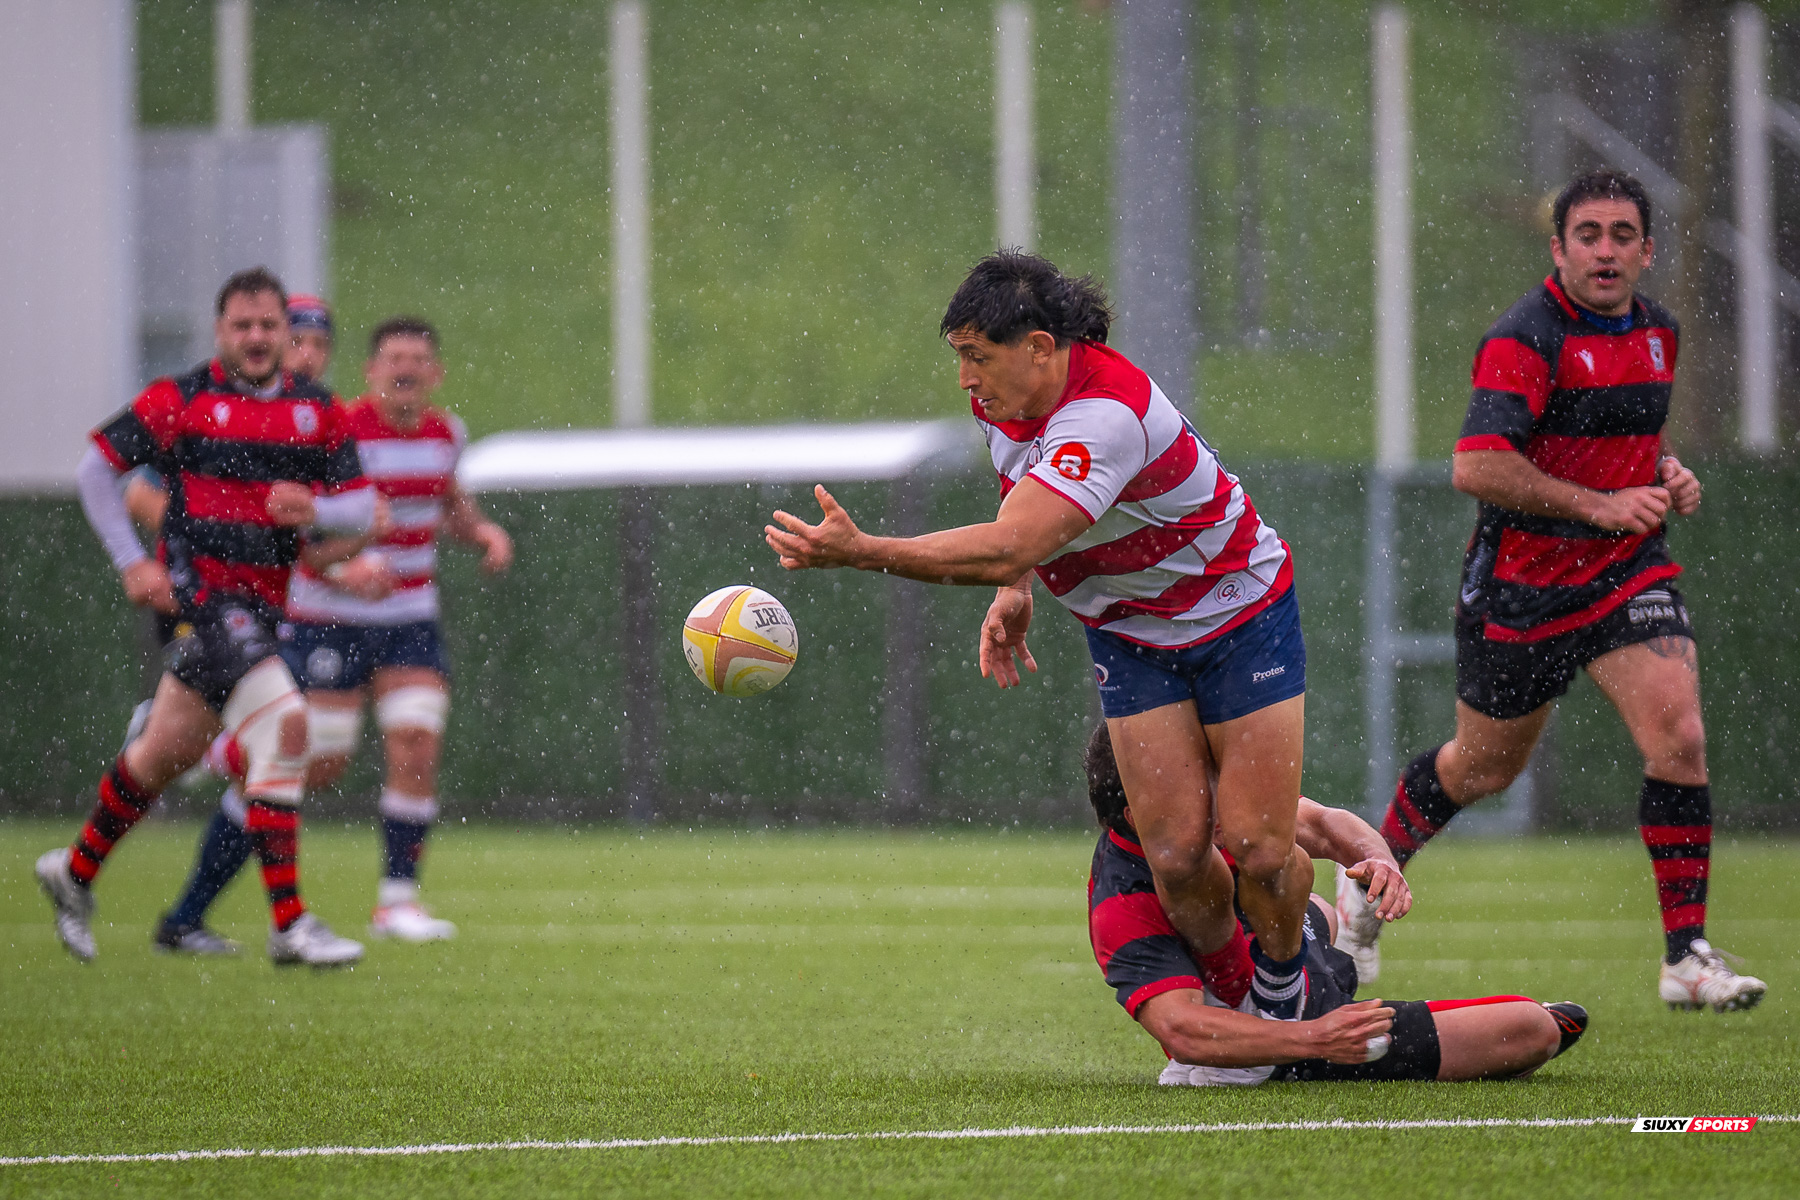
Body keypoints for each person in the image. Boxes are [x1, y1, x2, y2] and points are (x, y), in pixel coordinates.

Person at [766, 250, 1318, 1020]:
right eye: (959, 358)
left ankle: (1287, 988)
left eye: (976, 358)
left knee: (1258, 848)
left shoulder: (1106, 415)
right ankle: (1246, 1016)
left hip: (1239, 614)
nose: (965, 379)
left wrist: (866, 552)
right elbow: (1019, 507)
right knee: (1175, 857)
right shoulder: (1004, 403)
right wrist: (1015, 589)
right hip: (1128, 634)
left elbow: (1010, 538)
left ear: (1039, 348)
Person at [1337, 171, 1766, 1014]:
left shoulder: (1659, 333)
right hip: (1522, 591)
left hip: (1628, 574)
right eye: (1588, 234)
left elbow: (1635, 429)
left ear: (1647, 249)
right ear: (1559, 248)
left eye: (1621, 235)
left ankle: (1686, 955)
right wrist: (1601, 502)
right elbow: (1477, 464)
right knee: (1482, 768)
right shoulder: (1525, 337)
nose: (1605, 251)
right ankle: (1367, 878)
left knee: (1679, 737)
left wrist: (1663, 470)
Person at [37, 267, 382, 965]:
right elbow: (95, 472)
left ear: (287, 334)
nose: (256, 338)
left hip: (260, 610)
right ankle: (290, 924)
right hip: (199, 604)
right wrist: (132, 562)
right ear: (220, 332)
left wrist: (315, 510)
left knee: (161, 757)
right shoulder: (182, 400)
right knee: (287, 723)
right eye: (242, 325)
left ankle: (73, 873)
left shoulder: (317, 411)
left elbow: (363, 506)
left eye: (268, 326)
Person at [155, 315, 512, 951]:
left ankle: (398, 902)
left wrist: (481, 531)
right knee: (314, 764)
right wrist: (348, 567)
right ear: (371, 372)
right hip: (329, 621)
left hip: (409, 620)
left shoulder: (445, 434)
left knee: (417, 741)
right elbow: (301, 542)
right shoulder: (337, 434)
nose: (405, 370)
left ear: (437, 374)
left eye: (418, 360)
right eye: (393, 358)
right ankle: (223, 760)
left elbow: (448, 501)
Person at [1083, 724, 1589, 1085]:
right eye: (1196, 780)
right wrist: (1315, 1038)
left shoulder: (1211, 814)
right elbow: (1181, 1030)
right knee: (1534, 1029)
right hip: (1267, 1037)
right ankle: (1284, 1004)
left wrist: (1382, 861)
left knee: (1308, 891)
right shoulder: (1120, 900)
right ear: (1138, 812)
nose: (1216, 788)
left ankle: (1318, 947)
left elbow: (1324, 823)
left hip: (1285, 953)